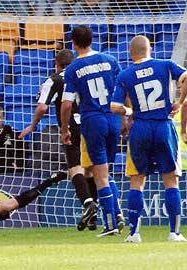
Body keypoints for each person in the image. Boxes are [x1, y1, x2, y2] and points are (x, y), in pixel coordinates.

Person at [111, 35, 187, 243]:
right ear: (150, 49)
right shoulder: (165, 65)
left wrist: (130, 111)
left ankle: (134, 233)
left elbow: (114, 107)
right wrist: (179, 102)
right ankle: (174, 233)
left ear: (131, 52)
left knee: (137, 180)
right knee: (171, 180)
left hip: (140, 128)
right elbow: (186, 77)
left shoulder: (125, 74)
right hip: (163, 125)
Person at [19, 49, 98, 231]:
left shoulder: (54, 79)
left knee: (75, 169)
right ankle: (94, 216)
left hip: (72, 127)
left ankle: (88, 204)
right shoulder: (84, 75)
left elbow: (42, 108)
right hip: (92, 124)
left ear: (57, 64)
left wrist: (32, 126)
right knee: (91, 169)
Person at [61, 25, 123, 237]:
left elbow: (67, 104)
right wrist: (126, 117)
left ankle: (110, 224)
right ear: (92, 39)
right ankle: (118, 214)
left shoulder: (73, 68)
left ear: (74, 42)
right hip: (113, 117)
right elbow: (123, 89)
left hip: (93, 119)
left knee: (100, 176)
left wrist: (64, 130)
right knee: (107, 172)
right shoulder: (110, 60)